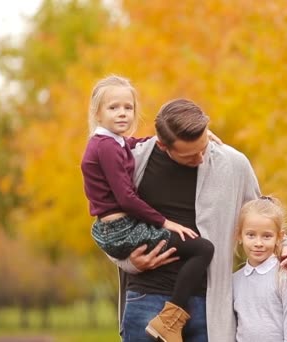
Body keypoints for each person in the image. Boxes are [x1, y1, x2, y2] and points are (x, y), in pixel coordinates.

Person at [109, 98, 287, 342]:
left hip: (208, 305)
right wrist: (127, 260)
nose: (201, 158)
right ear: (163, 145)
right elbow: (109, 224)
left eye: (204, 147)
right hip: (147, 297)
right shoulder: (133, 162)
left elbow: (262, 216)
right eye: (190, 155)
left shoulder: (234, 164)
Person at [80, 76, 215, 342]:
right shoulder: (106, 147)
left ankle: (170, 318)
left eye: (128, 107)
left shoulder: (114, 143)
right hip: (121, 229)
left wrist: (187, 135)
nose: (122, 113)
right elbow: (127, 198)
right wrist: (165, 222)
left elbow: (138, 143)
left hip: (116, 228)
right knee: (202, 248)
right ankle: (170, 320)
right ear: (97, 113)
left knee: (197, 248)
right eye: (113, 107)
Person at [233, 196, 287, 342]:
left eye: (267, 236)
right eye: (251, 235)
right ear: (239, 236)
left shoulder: (286, 277)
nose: (258, 243)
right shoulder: (234, 281)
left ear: (279, 237)